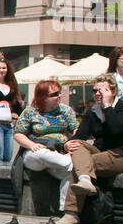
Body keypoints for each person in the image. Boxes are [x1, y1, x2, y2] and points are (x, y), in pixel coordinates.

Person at [57, 73, 123, 224]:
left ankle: (71, 213)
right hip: (102, 154)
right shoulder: (93, 111)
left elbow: (116, 130)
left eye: (103, 90)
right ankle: (85, 181)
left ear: (113, 92)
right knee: (78, 145)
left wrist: (107, 107)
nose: (97, 94)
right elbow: (81, 135)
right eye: (95, 91)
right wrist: (66, 145)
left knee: (81, 165)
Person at [14, 79, 78, 214]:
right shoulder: (30, 112)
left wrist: (69, 145)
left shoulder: (66, 111)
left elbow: (76, 131)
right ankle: (68, 160)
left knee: (70, 170)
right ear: (43, 97)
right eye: (54, 94)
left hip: (58, 154)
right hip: (35, 154)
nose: (59, 96)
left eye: (59, 93)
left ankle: (63, 208)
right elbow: (18, 134)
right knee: (43, 153)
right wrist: (31, 145)